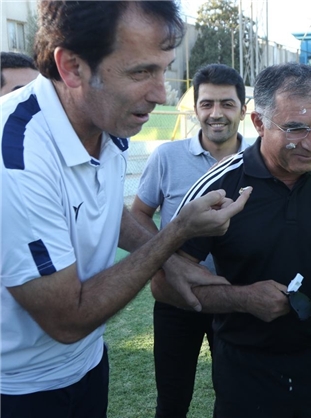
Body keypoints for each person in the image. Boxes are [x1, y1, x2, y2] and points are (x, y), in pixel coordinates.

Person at [0, 3, 250, 418]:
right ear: (72, 67)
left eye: (163, 70)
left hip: (88, 363)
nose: (161, 93)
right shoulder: (17, 160)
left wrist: (171, 261)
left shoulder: (104, 119)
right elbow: (68, 319)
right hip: (21, 390)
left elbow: (105, 209)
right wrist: (175, 235)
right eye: (141, 72)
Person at [151, 62, 311, 418]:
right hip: (245, 369)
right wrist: (242, 299)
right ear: (259, 123)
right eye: (295, 128)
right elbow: (162, 285)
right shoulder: (219, 187)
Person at [131, 63, 249, 418]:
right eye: (207, 103)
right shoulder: (167, 157)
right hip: (176, 298)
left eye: (227, 104)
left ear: (243, 110)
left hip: (235, 296)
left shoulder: (259, 159)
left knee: (237, 399)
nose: (216, 113)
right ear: (195, 108)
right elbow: (139, 215)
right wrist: (168, 261)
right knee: (172, 401)